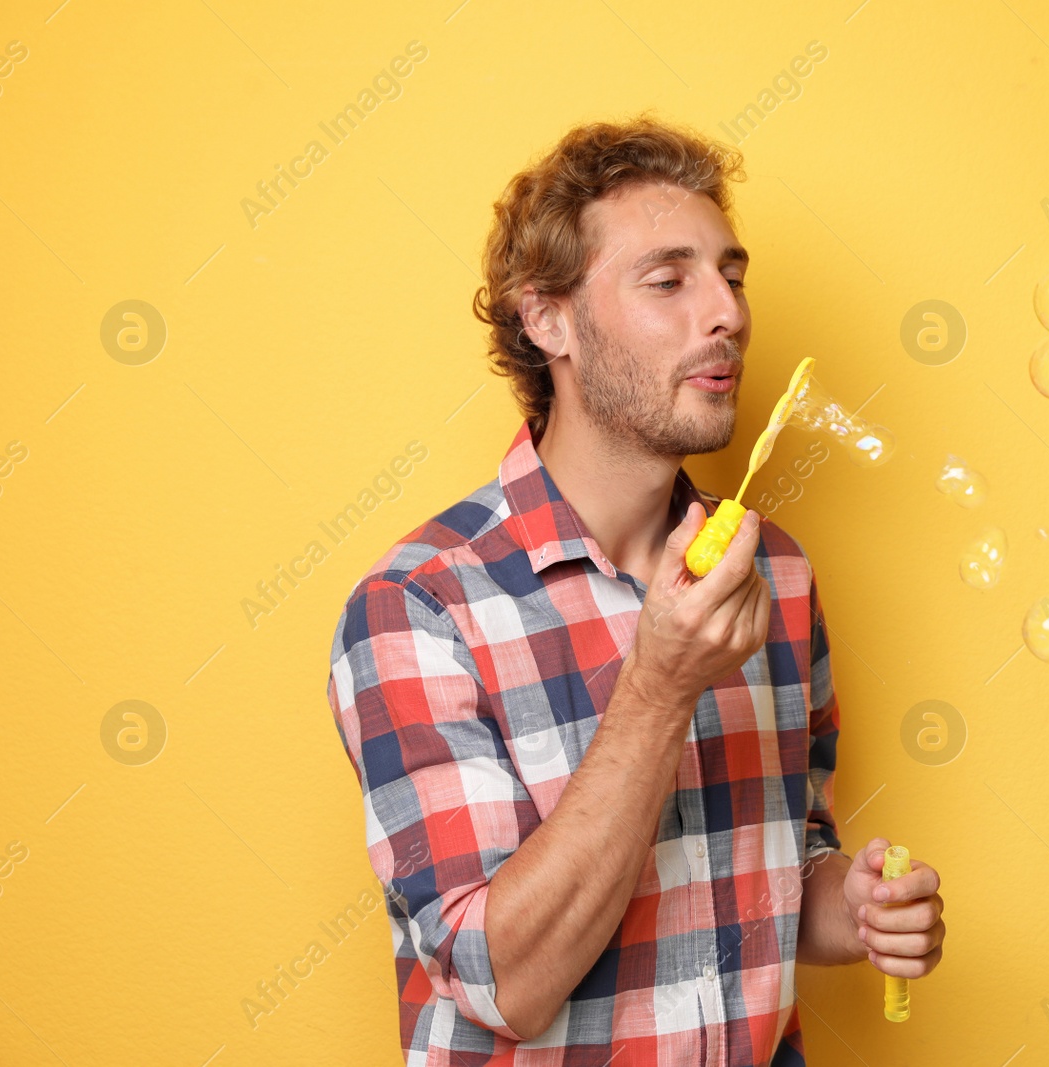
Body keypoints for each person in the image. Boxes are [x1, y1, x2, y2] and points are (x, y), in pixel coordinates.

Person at [325, 113, 945, 1065]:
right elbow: (505, 983)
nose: (728, 312)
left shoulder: (773, 573)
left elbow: (789, 856)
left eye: (731, 276)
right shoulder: (418, 608)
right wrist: (659, 684)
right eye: (669, 279)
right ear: (548, 319)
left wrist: (851, 907)